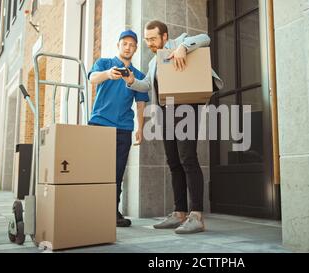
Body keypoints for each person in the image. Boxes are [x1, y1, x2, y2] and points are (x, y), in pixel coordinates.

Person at [122, 20, 223, 234]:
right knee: (174, 162)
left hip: (186, 107)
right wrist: (131, 81)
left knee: (188, 158)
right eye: (147, 39)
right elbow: (147, 86)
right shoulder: (152, 63)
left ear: (165, 37)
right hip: (166, 111)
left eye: (152, 38)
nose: (148, 43)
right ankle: (179, 213)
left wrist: (183, 48)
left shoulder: (180, 41)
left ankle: (196, 215)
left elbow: (206, 38)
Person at [87, 30, 149, 228]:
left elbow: (140, 104)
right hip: (99, 124)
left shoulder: (137, 75)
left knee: (117, 173)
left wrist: (140, 128)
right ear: (118, 45)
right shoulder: (105, 63)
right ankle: (91, 209)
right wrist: (108, 74)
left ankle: (112, 212)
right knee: (95, 169)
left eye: (132, 44)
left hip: (123, 129)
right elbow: (92, 78)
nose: (128, 47)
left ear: (136, 48)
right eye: (125, 43)